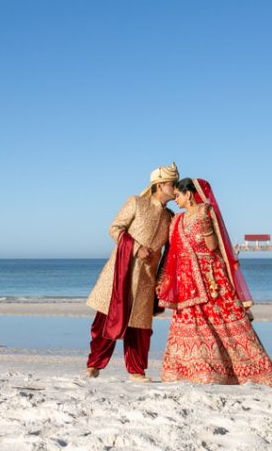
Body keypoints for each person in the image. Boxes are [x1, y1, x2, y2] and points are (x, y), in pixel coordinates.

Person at [156, 178, 272, 386]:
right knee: (193, 326)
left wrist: (206, 227)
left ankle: (245, 373)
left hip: (211, 278)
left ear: (189, 194)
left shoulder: (205, 211)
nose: (175, 199)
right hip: (186, 282)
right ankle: (197, 372)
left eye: (178, 195)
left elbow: (213, 246)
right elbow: (171, 253)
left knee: (224, 322)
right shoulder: (176, 220)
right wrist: (164, 280)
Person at [85, 162, 179, 382]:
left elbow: (168, 253)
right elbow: (114, 229)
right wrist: (136, 248)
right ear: (160, 185)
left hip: (146, 279)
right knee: (106, 321)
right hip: (120, 274)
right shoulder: (137, 203)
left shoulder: (170, 217)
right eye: (172, 184)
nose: (175, 189)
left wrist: (162, 280)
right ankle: (93, 365)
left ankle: (136, 371)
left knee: (141, 327)